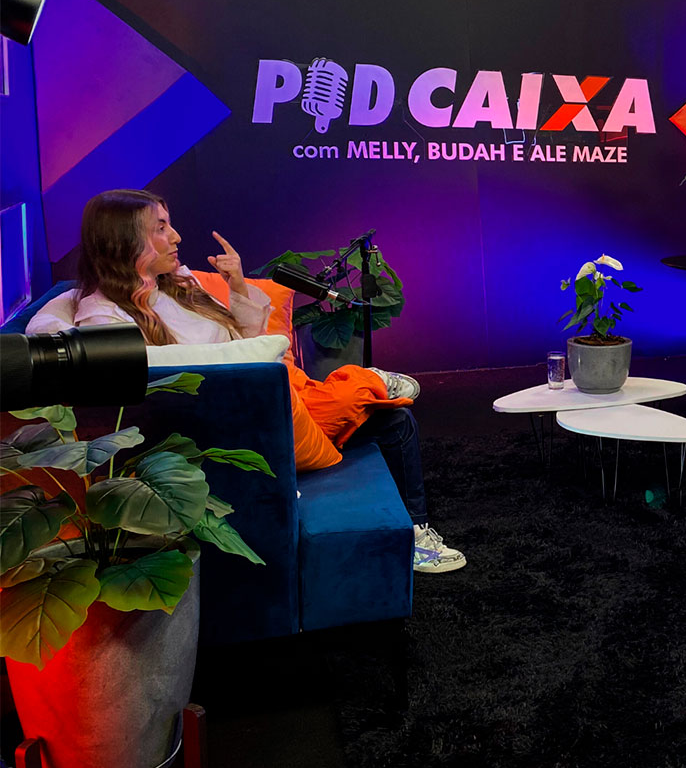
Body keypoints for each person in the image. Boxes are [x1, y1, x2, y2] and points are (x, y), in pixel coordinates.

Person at [48, 188, 466, 574]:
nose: (176, 236)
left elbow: (246, 343)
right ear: (123, 241)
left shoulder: (176, 286)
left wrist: (237, 286)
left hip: (264, 399)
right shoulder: (104, 319)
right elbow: (170, 381)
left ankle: (413, 533)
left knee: (394, 421)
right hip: (239, 428)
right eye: (160, 228)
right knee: (367, 402)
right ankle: (367, 382)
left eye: (169, 224)